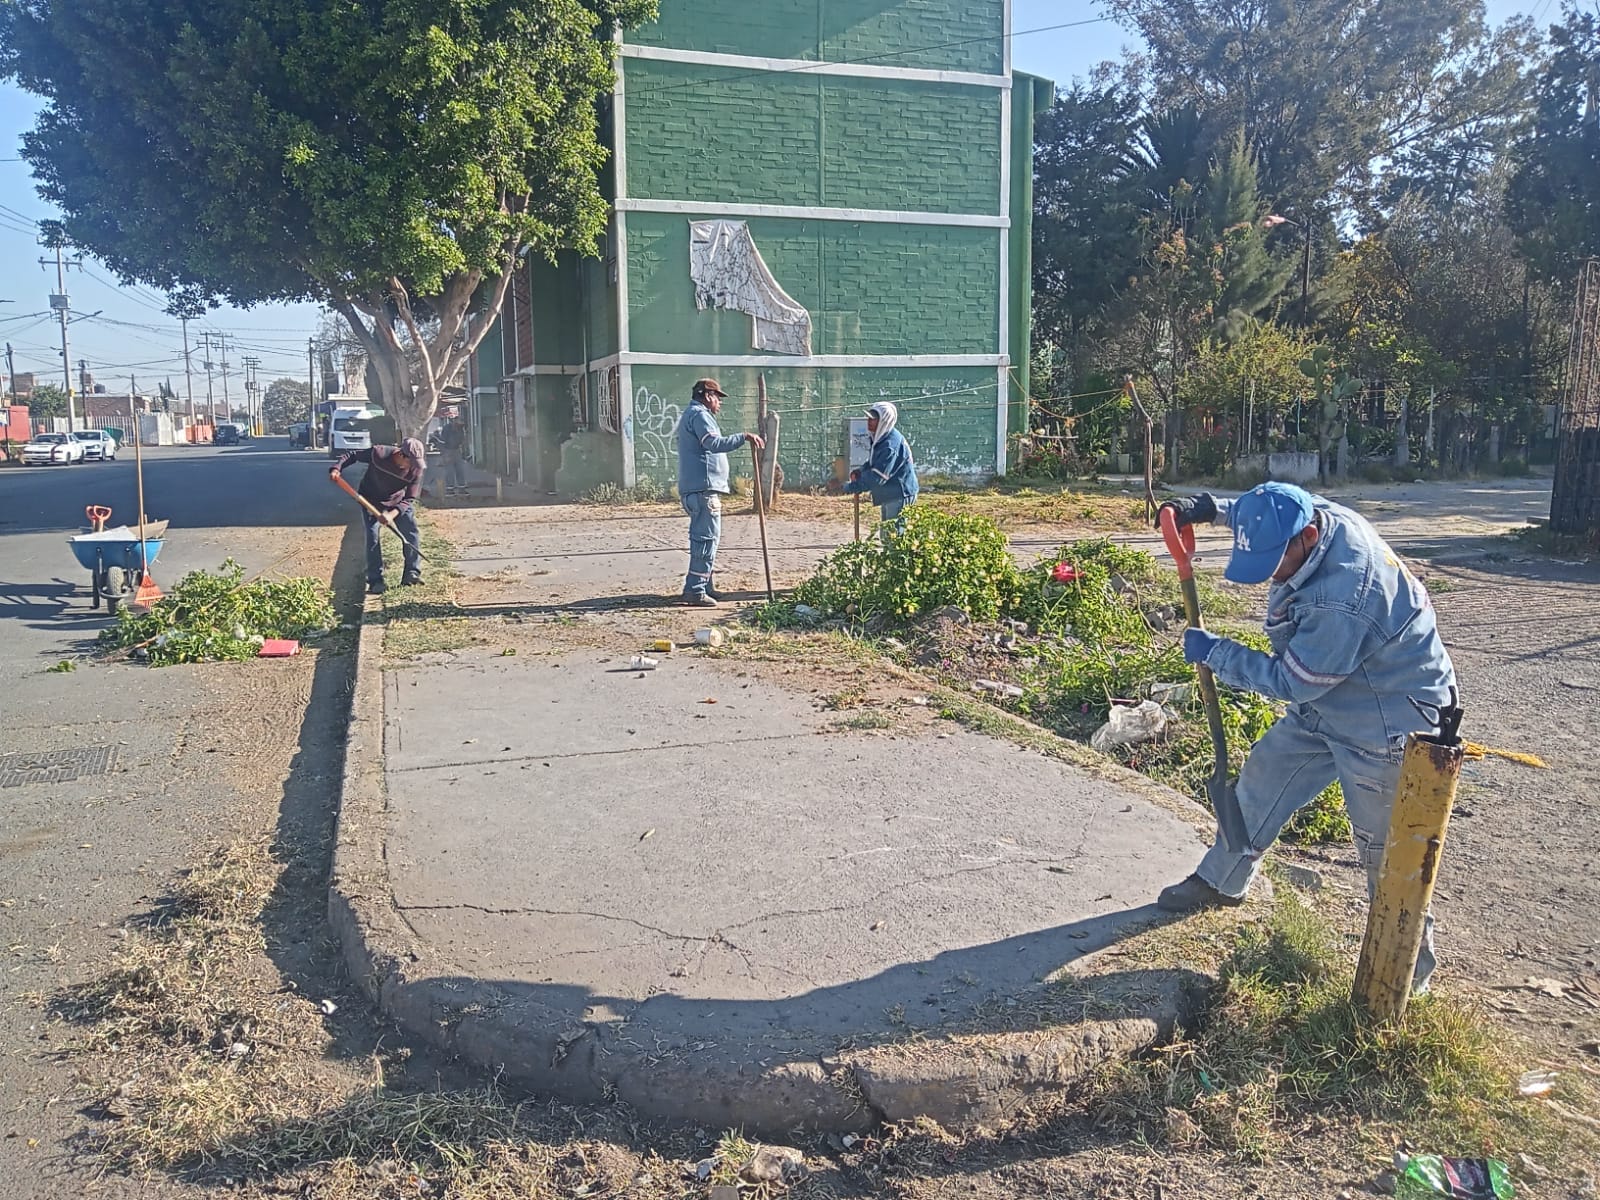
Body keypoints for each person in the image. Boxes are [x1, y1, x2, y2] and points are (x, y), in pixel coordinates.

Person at [1154, 483, 1456, 992]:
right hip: (1332, 694)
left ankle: (1402, 984)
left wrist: (1218, 653)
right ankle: (1222, 880)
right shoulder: (1313, 517)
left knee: (1390, 853)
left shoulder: (1344, 596)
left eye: (1277, 560)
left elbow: (1294, 681)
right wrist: (1211, 509)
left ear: (1310, 537)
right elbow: (1268, 513)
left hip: (1390, 717)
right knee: (1265, 775)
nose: (1271, 572)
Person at [675, 378, 764, 607]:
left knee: (706, 540)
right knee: (705, 540)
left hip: (698, 489)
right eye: (717, 397)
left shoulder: (693, 414)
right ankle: (695, 590)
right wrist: (743, 437)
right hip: (703, 490)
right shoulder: (700, 415)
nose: (719, 403)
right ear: (707, 395)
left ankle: (705, 584)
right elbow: (714, 444)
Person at [331, 437, 427, 595]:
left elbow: (410, 498)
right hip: (370, 499)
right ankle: (376, 580)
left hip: (397, 501)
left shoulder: (416, 469)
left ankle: (412, 573)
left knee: (411, 532)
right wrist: (337, 468)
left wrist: (391, 514)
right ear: (401, 455)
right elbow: (352, 456)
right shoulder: (379, 454)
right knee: (372, 536)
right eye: (411, 463)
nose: (412, 467)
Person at [842, 401, 918, 523]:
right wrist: (861, 471)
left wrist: (850, 487)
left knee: (894, 537)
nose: (868, 422)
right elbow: (874, 462)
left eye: (873, 419)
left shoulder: (889, 445)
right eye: (868, 418)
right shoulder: (880, 438)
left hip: (899, 493)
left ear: (884, 420)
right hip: (889, 492)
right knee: (888, 534)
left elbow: (877, 478)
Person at [436, 415, 469, 498]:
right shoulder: (447, 428)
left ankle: (462, 489)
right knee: (449, 471)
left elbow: (462, 440)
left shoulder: (461, 428)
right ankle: (449, 490)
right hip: (448, 450)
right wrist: (444, 454)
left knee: (460, 470)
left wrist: (463, 451)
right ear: (455, 421)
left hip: (457, 450)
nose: (461, 424)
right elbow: (442, 441)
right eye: (460, 422)